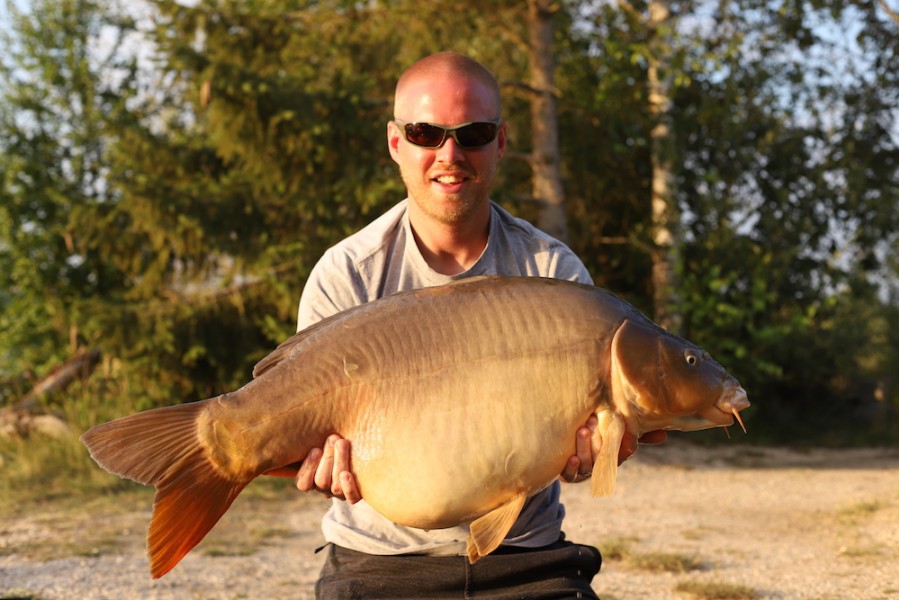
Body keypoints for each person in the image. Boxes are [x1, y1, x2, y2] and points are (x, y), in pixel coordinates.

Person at [294, 51, 664, 599]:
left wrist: (593, 456)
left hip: (527, 559)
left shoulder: (553, 272)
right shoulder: (347, 273)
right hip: (380, 562)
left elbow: (588, 451)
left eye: (473, 133)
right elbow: (310, 449)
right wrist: (314, 462)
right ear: (396, 142)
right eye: (426, 132)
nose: (450, 153)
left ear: (501, 143)